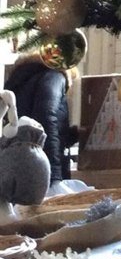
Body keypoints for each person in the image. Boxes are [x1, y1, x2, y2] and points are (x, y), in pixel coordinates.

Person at [4, 54, 74, 183]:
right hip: (41, 167)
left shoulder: (19, 80)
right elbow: (46, 116)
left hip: (15, 163)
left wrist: (72, 135)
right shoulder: (55, 76)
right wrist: (54, 174)